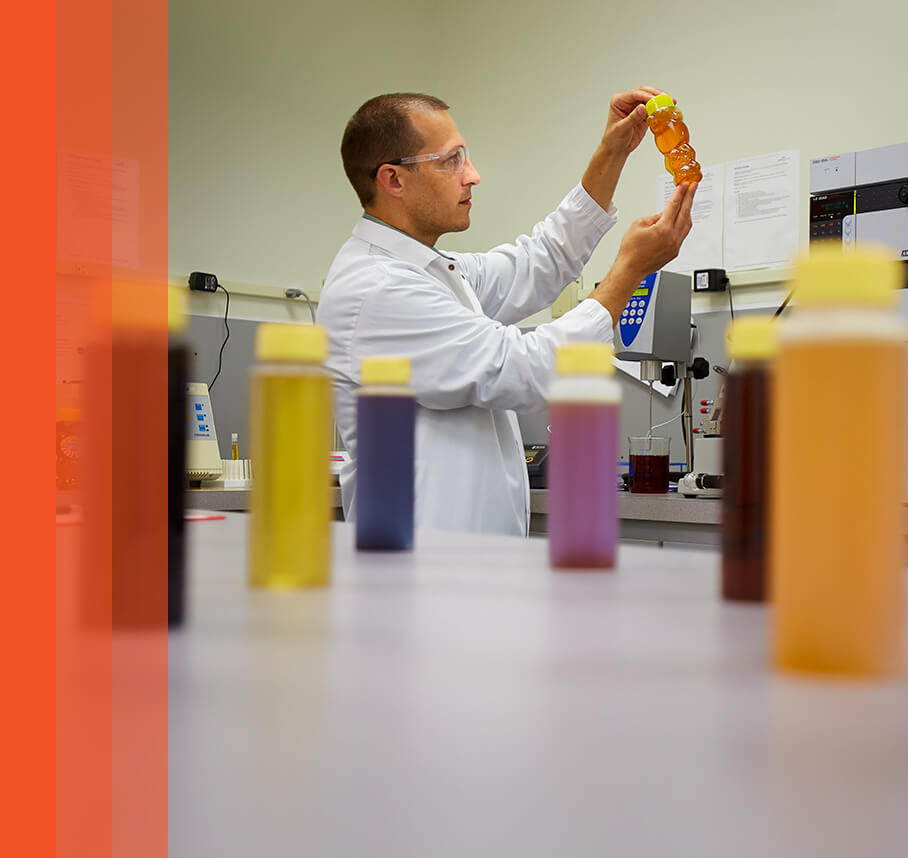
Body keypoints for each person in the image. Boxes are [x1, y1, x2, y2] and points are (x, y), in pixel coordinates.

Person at [317, 90, 696, 536]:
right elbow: (524, 370)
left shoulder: (432, 272)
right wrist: (630, 270)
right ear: (393, 180)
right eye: (451, 160)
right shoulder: (377, 289)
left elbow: (541, 259)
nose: (472, 176)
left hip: (466, 567)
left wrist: (613, 152)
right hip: (425, 573)